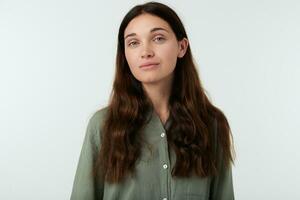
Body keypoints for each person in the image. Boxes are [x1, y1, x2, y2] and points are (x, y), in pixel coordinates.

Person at [70, 1, 235, 200]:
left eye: (158, 38)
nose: (145, 51)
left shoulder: (212, 123)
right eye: (133, 42)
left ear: (181, 47)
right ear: (125, 54)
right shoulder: (103, 125)